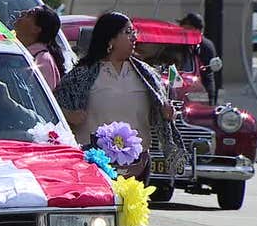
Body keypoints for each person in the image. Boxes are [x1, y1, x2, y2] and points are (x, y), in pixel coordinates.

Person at [55, 11, 184, 172]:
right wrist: (69, 115)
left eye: (134, 32)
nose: (134, 37)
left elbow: (156, 116)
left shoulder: (147, 75)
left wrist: (166, 114)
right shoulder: (80, 75)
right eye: (127, 32)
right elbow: (53, 109)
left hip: (137, 163)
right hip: (93, 163)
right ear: (111, 39)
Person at [14, 5, 67, 90]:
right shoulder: (16, 51)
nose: (22, 13)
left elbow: (39, 101)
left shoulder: (42, 61)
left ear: (37, 29)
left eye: (29, 14)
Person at [178, 12, 222, 105]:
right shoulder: (180, 44)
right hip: (180, 83)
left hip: (202, 86)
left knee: (203, 113)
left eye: (186, 28)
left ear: (195, 29)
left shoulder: (205, 45)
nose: (183, 30)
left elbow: (206, 70)